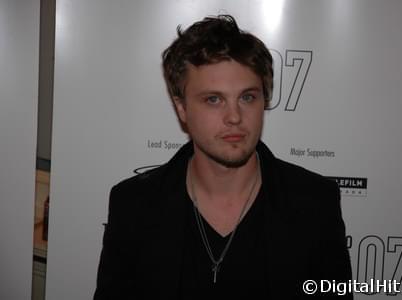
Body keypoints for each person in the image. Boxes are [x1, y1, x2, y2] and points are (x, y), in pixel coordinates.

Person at [94, 15, 352, 299]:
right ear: (181, 108)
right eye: (213, 100)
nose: (234, 117)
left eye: (247, 97)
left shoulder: (315, 204)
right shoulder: (133, 206)